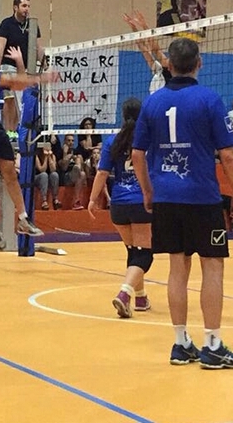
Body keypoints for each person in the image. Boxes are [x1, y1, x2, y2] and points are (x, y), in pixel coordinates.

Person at [132, 37, 233, 369]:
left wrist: (148, 191)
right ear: (199, 63)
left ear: (169, 65)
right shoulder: (209, 99)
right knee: (212, 265)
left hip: (166, 198)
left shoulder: (153, 102)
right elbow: (228, 155)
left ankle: (181, 343)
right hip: (201, 198)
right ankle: (212, 345)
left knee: (177, 267)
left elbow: (137, 155)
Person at [0, 44, 58, 245]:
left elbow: (20, 85)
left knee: (10, 173)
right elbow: (13, 81)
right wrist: (42, 78)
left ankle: (23, 218)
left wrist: (19, 62)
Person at [88, 98, 153, 318]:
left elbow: (102, 173)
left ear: (123, 116)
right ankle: (125, 294)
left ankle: (141, 298)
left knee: (134, 252)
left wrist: (92, 199)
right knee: (144, 255)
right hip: (141, 202)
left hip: (119, 205)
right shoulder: (148, 139)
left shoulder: (112, 141)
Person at [0, 0, 44, 135]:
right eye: (24, 6)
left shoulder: (32, 25)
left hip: (26, 68)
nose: (27, 9)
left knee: (21, 99)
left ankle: (17, 129)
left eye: (28, 6)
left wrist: (45, 63)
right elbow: (0, 47)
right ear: (15, 7)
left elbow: (38, 47)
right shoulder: (6, 24)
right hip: (8, 65)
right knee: (9, 98)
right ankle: (9, 130)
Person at [123, 10, 171, 94]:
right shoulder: (158, 70)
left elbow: (155, 50)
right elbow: (143, 49)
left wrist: (144, 25)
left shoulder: (168, 68)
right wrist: (134, 27)